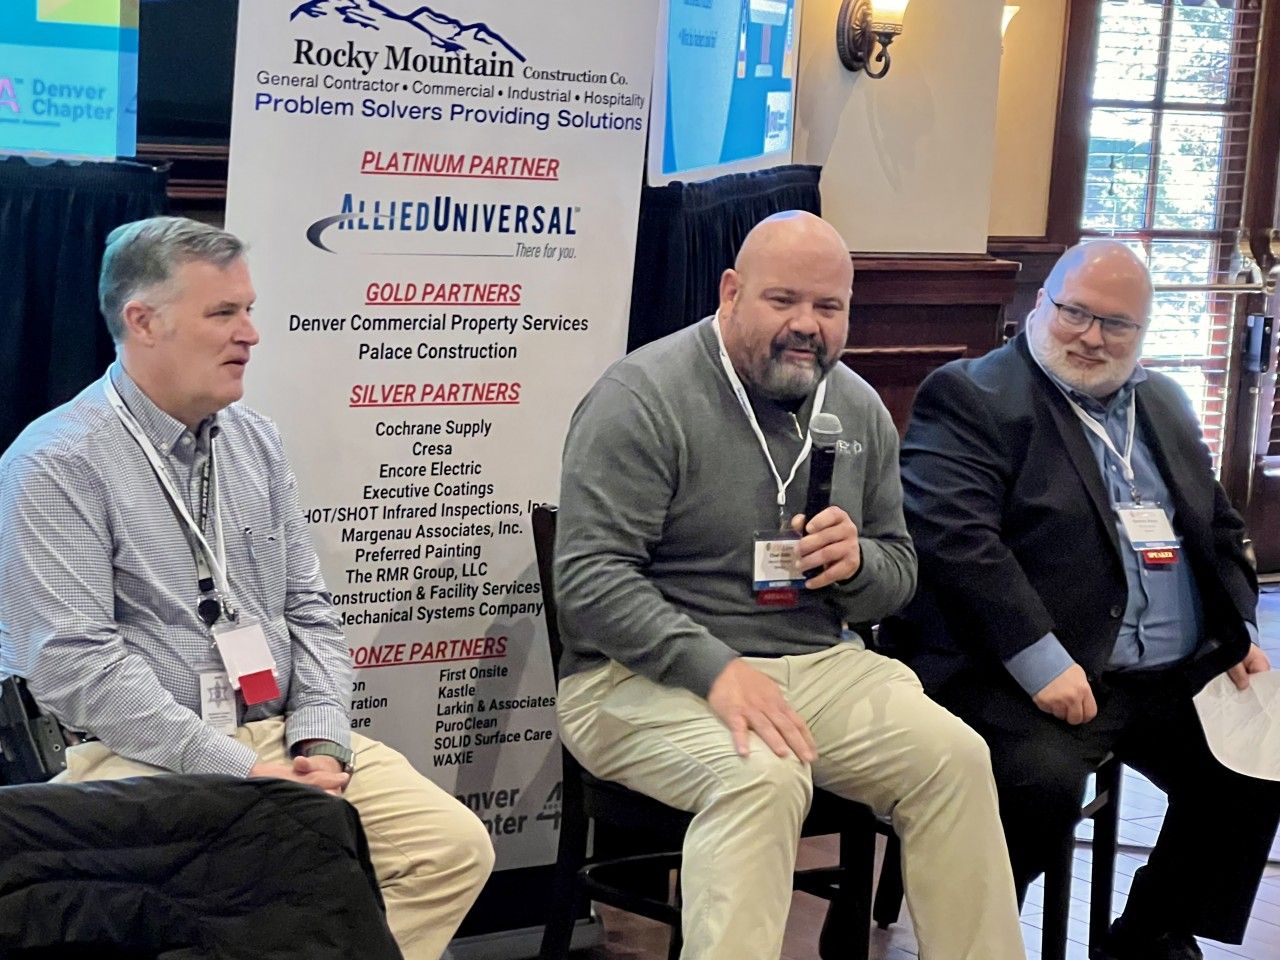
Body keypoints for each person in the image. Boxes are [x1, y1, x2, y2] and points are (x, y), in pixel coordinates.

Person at [0, 216, 494, 960]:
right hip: (136, 753)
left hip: (279, 737)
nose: (251, 334)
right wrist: (244, 773)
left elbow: (310, 611)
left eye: (249, 310)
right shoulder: (55, 462)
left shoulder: (255, 440)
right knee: (282, 866)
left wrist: (321, 739)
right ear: (144, 322)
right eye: (224, 313)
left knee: (450, 848)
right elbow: (80, 668)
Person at [554, 210, 1025, 960]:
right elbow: (590, 580)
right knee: (761, 777)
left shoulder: (859, 405)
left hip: (814, 666)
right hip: (633, 679)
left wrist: (858, 566)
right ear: (732, 291)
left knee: (955, 758)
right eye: (784, 301)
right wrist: (717, 670)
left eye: (828, 307)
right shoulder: (643, 395)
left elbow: (899, 573)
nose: (807, 325)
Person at [891, 239, 1280, 960]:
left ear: (1143, 333)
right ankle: (975, 943)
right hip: (1017, 669)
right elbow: (955, 542)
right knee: (1036, 784)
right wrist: (1041, 663)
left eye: (1117, 324)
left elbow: (1218, 527)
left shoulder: (1160, 401)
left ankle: (1149, 934)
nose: (1092, 337)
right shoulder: (972, 395)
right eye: (1075, 313)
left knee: (1260, 757)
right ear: (1040, 306)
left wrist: (1236, 630)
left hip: (1164, 673)